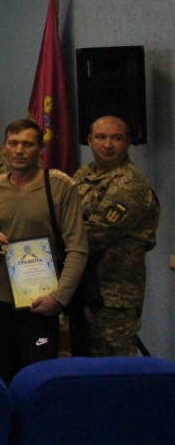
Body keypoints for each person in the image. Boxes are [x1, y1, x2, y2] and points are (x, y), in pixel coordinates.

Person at [0, 119, 87, 383]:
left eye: (27, 144)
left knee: (39, 380)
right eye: (13, 143)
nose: (19, 150)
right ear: (4, 147)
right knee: (2, 378)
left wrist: (59, 298)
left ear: (41, 149)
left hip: (40, 302)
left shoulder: (60, 186)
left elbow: (77, 248)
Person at [70, 115, 159, 357]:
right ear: (89, 141)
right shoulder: (84, 174)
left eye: (116, 138)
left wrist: (48, 239)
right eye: (101, 137)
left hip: (114, 297)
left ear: (128, 142)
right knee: (84, 362)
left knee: (113, 367)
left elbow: (95, 233)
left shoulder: (130, 183)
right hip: (84, 289)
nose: (108, 145)